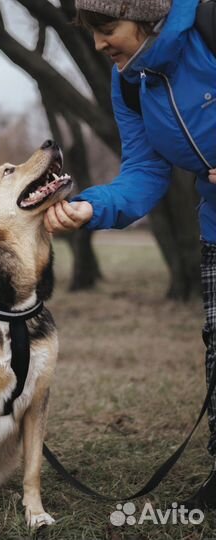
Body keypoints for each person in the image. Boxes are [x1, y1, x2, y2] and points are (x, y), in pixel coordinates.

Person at [44, 0, 216, 510]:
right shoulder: (130, 83)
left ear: (148, 16)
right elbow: (144, 173)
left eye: (107, 27)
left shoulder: (209, 28)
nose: (98, 44)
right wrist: (88, 207)